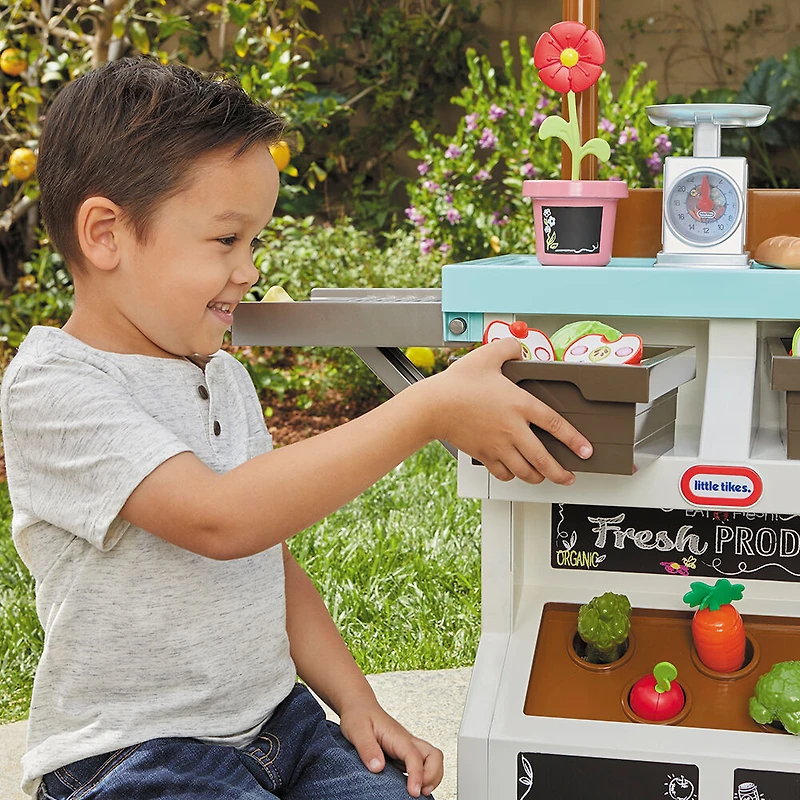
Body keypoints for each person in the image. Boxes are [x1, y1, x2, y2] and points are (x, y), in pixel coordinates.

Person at [0, 57, 593, 800]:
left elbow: (267, 564)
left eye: (256, 243)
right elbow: (220, 521)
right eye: (226, 241)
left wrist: (357, 703)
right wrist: (428, 408)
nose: (248, 270)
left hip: (284, 728)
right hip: (133, 756)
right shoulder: (55, 386)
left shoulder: (224, 378)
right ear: (106, 235)